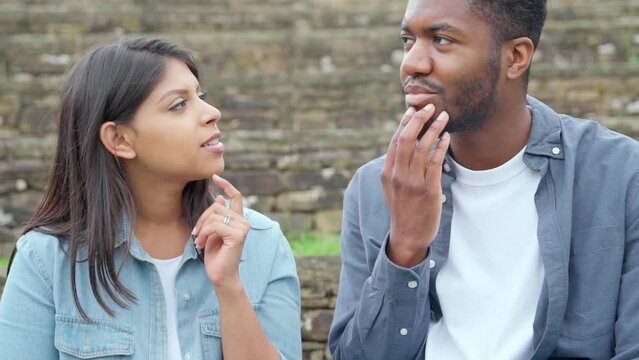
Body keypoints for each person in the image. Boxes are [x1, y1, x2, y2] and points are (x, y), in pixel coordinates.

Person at [329, 0, 639, 359]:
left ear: (516, 57)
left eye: (442, 40)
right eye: (407, 40)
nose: (411, 62)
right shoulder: (375, 188)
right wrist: (405, 246)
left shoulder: (619, 176)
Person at [0, 37, 301, 360]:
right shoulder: (48, 260)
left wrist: (229, 288)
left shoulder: (261, 243)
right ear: (120, 139)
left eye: (201, 97)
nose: (213, 113)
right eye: (179, 105)